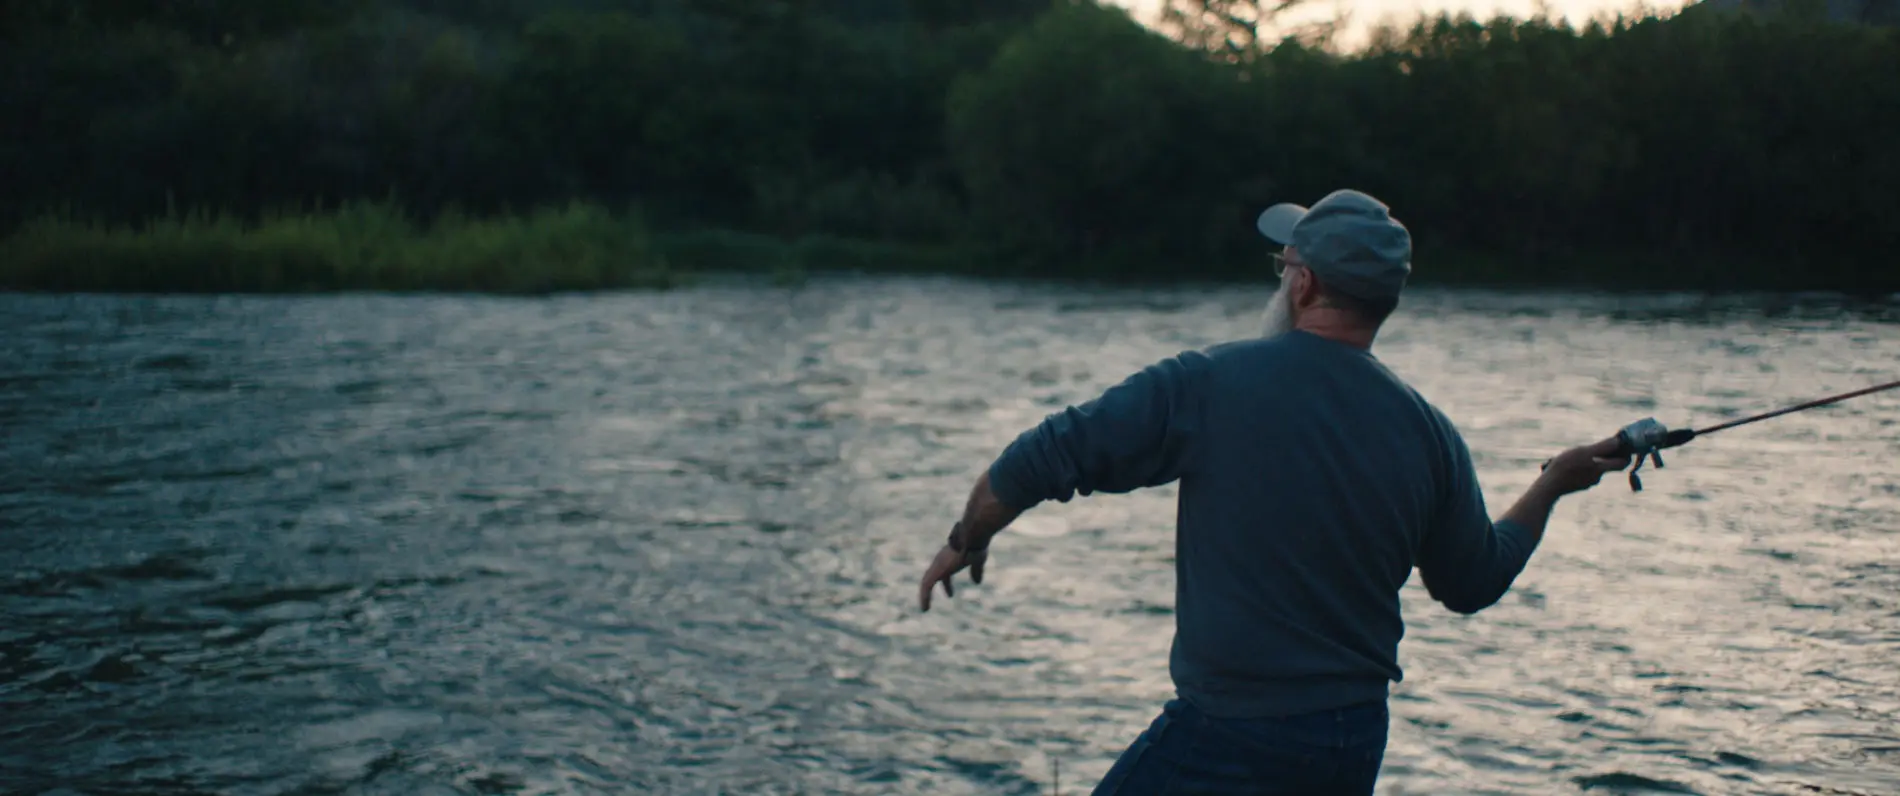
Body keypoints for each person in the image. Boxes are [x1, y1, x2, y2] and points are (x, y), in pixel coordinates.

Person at [915, 189, 1633, 794]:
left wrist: (967, 537)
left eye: (1284, 265)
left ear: (1305, 285)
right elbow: (1473, 582)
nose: (1282, 279)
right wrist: (1552, 486)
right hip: (1352, 741)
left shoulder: (1207, 383)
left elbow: (1042, 456)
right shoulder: (1431, 434)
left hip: (1230, 733)